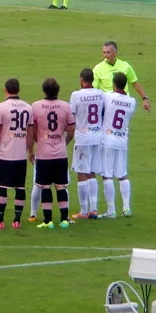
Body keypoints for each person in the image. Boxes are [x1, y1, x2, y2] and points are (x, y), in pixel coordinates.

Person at [0, 79, 34, 230]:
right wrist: (29, 150)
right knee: (19, 187)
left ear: (5, 90)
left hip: (5, 154)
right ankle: (17, 221)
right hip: (20, 155)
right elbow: (30, 132)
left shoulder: (0, 108)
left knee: (2, 187)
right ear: (18, 90)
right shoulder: (28, 108)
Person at [30, 78, 75, 229]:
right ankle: (63, 219)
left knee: (45, 186)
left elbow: (32, 129)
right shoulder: (65, 106)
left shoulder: (36, 106)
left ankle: (48, 220)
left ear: (43, 90)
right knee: (61, 186)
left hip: (44, 153)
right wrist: (64, 141)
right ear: (58, 90)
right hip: (60, 153)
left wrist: (35, 145)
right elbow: (71, 129)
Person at [98, 72, 137, 219]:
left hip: (107, 140)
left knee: (107, 175)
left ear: (114, 84)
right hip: (122, 141)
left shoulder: (107, 97)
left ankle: (111, 210)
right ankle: (126, 208)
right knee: (122, 175)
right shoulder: (132, 101)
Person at [69, 68, 105, 220]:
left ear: (81, 79)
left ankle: (83, 211)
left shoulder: (76, 95)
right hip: (97, 137)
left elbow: (71, 117)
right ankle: (94, 209)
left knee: (81, 172)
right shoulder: (101, 94)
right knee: (92, 172)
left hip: (83, 138)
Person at [93, 41, 150, 113]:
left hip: (124, 104)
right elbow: (94, 89)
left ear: (115, 53)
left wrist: (145, 98)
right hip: (107, 106)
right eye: (104, 52)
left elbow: (134, 82)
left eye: (108, 52)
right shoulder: (98, 69)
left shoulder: (125, 66)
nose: (105, 55)